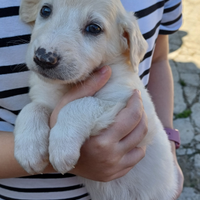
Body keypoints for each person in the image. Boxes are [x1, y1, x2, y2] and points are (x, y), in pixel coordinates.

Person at [0, 0, 183, 199]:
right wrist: (33, 116)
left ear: (125, 38)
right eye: (46, 10)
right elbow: (43, 108)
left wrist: (171, 140)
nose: (46, 54)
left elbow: (156, 63)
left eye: (93, 28)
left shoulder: (119, 74)